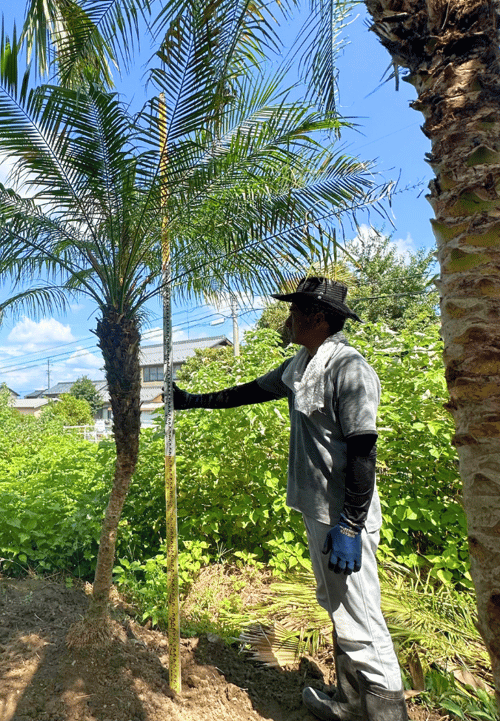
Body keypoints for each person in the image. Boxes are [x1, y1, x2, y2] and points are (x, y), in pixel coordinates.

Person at [173, 277, 407, 721]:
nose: (288, 318)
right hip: (319, 511)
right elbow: (247, 393)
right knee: (339, 608)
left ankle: (386, 712)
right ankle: (350, 702)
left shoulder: (348, 367)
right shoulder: (301, 366)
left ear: (318, 317)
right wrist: (191, 401)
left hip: (344, 519)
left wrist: (351, 524)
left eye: (295, 311)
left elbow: (363, 450)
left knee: (362, 618)